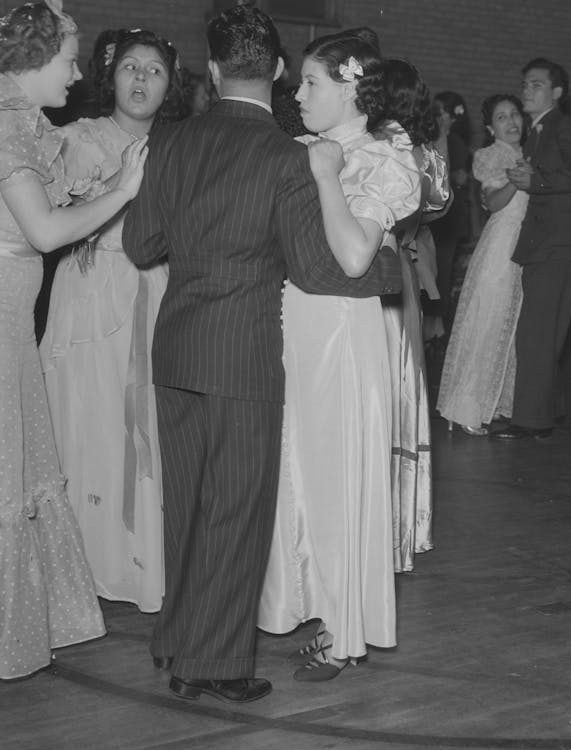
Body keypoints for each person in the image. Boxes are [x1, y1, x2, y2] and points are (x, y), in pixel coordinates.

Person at [122, 5, 401, 703]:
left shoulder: (173, 141)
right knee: (235, 511)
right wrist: (388, 272)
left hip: (177, 345)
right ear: (276, 71)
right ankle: (212, 666)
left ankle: (174, 642)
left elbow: (140, 245)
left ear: (212, 70)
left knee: (184, 506)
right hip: (242, 352)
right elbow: (313, 268)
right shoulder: (287, 155)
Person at [257, 34, 420, 681]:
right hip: (296, 318)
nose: (296, 96)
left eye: (311, 84)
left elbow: (355, 255)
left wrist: (325, 174)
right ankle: (309, 604)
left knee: (337, 476)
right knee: (297, 468)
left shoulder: (383, 157)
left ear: (351, 87)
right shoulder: (306, 147)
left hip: (342, 333)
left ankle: (344, 631)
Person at [0, 0, 149, 680]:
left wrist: (97, 186)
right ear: (32, 60)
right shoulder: (6, 127)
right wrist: (123, 192)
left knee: (22, 462)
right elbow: (45, 233)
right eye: (66, 61)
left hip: (13, 323)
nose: (75, 76)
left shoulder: (25, 123)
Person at [39, 28, 181, 615]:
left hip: (157, 295)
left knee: (146, 425)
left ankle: (138, 565)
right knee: (87, 419)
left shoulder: (181, 147)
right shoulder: (73, 139)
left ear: (171, 83)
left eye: (154, 68)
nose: (141, 78)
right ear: (110, 76)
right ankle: (79, 568)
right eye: (129, 67)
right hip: (90, 297)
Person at [491, 58, 571, 441]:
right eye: (525, 84)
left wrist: (537, 179)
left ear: (557, 92)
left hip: (560, 246)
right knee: (542, 333)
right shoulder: (537, 132)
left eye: (536, 85)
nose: (526, 91)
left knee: (536, 334)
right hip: (546, 245)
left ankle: (531, 422)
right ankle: (548, 410)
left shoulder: (564, 126)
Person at [374, 56, 445, 573]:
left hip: (359, 271)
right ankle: (401, 522)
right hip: (397, 272)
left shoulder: (363, 144)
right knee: (400, 385)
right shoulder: (423, 156)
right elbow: (436, 205)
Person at [438, 94, 528, 435]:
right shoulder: (490, 157)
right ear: (491, 127)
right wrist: (518, 181)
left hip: (523, 248)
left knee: (512, 323)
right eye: (502, 117)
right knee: (487, 320)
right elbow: (493, 201)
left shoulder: (527, 156)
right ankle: (466, 409)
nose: (511, 122)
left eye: (515, 114)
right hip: (501, 246)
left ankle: (497, 403)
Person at [428, 90, 471, 336]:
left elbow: (457, 177)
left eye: (440, 112)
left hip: (448, 216)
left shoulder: (453, 141)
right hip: (435, 215)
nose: (436, 117)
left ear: (452, 117)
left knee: (441, 271)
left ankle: (436, 325)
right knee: (432, 268)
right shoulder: (436, 137)